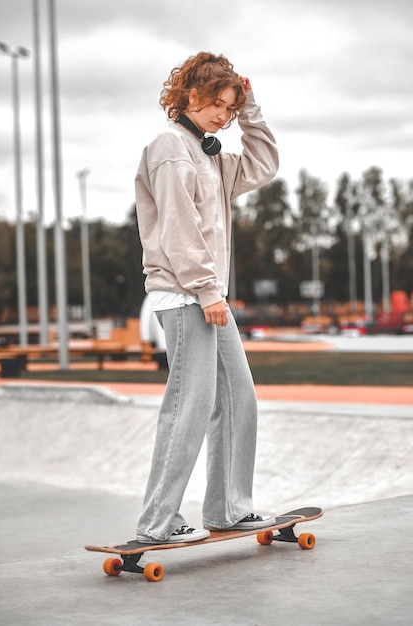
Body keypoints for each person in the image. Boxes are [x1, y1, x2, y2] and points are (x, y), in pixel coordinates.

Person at [134, 51, 279, 544]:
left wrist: (251, 107)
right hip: (184, 295)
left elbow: (263, 163)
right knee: (189, 407)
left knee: (239, 399)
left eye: (229, 108)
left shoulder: (210, 155)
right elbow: (179, 230)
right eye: (216, 103)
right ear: (190, 94)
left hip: (207, 296)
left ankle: (228, 508)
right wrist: (206, 289)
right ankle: (159, 521)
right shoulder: (171, 147)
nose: (222, 115)